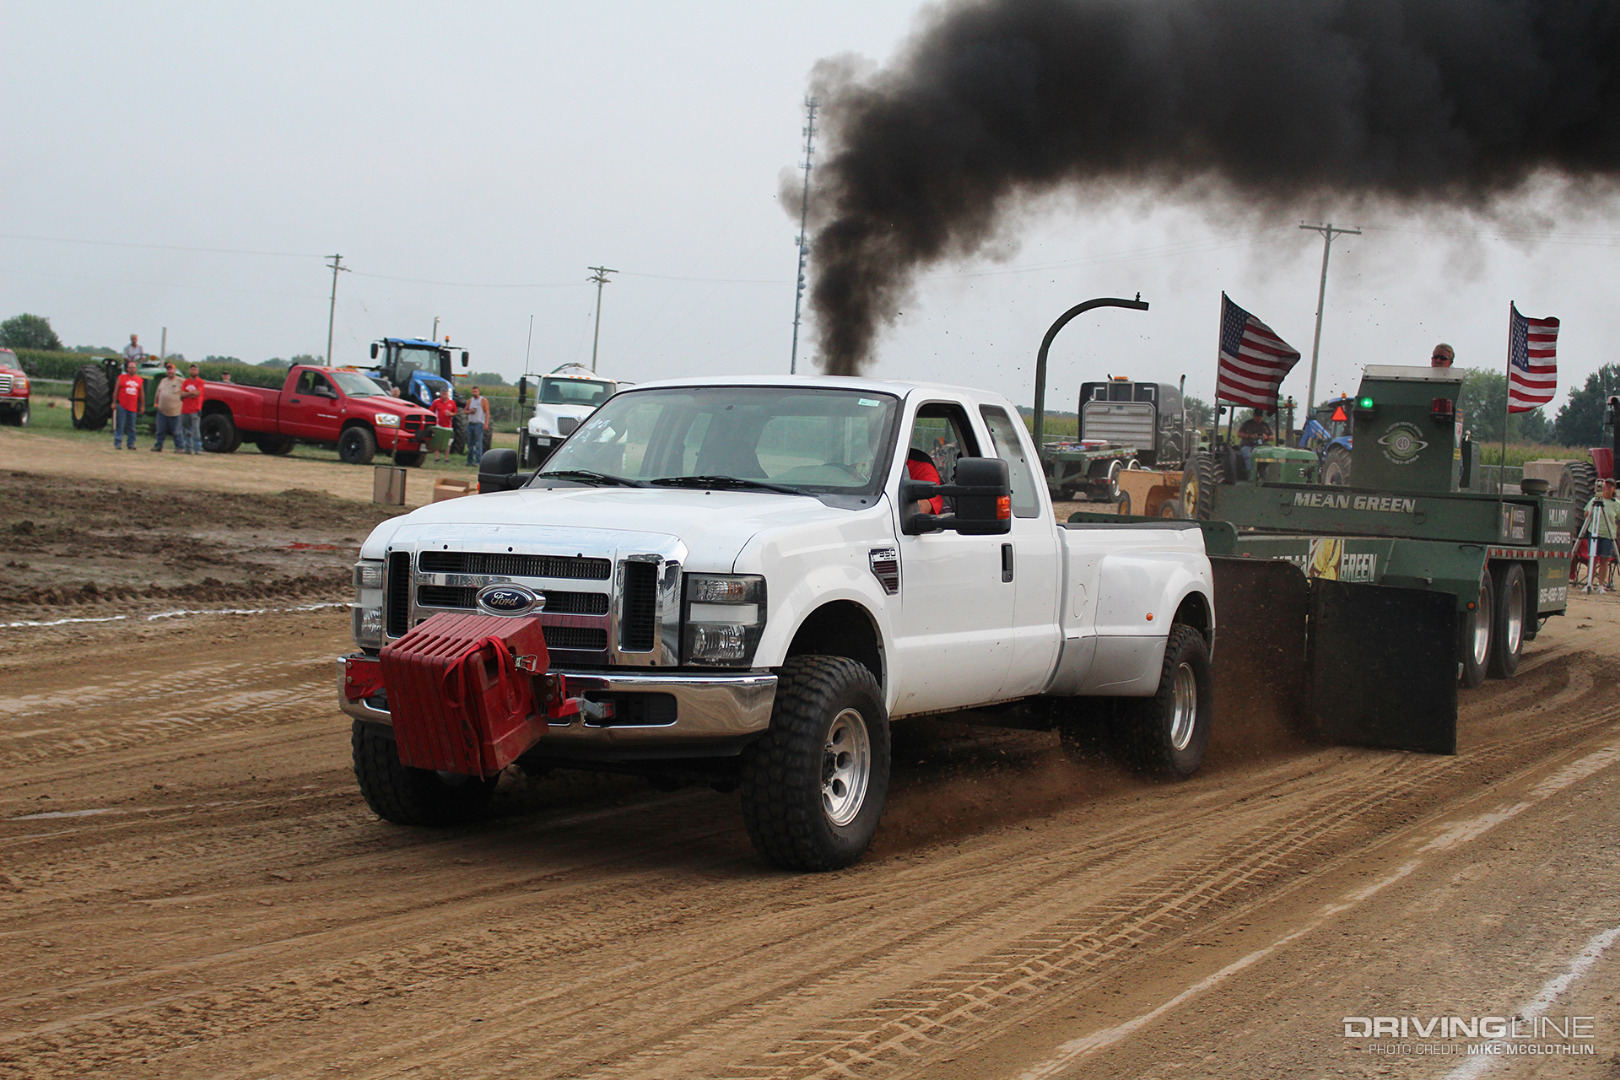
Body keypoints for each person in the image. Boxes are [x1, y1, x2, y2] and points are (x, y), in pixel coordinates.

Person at [1580, 479, 1619, 591]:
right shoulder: (1594, 500)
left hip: (1608, 535)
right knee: (1593, 558)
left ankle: (1601, 585)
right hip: (1594, 532)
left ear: (1613, 489)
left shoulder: (1616, 504)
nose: (1607, 489)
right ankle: (1589, 583)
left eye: (1610, 487)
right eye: (1606, 486)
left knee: (1604, 560)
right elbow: (1587, 514)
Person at [151, 361, 184, 452]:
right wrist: (156, 404)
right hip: (162, 410)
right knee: (160, 430)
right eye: (168, 370)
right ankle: (158, 445)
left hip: (175, 411)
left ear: (175, 370)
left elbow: (188, 390)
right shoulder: (163, 381)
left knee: (177, 431)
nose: (169, 371)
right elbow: (157, 393)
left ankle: (179, 447)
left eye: (171, 369)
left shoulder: (180, 381)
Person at [113, 358, 143, 450]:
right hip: (122, 405)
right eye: (130, 367)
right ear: (127, 369)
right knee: (120, 424)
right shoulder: (121, 378)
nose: (132, 369)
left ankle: (131, 443)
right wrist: (114, 402)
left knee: (132, 426)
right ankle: (118, 442)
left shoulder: (139, 380)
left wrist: (142, 405)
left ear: (136, 369)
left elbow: (141, 394)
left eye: (133, 367)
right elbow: (116, 391)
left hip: (133, 407)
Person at [1236, 409, 1273, 473]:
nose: (1259, 418)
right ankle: (1250, 473)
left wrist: (1266, 437)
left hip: (1262, 446)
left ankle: (1266, 473)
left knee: (1271, 454)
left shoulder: (1265, 425)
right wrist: (1250, 436)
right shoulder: (1247, 424)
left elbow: (1272, 437)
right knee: (1248, 455)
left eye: (1260, 417)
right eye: (1257, 417)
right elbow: (1239, 434)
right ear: (1254, 416)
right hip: (1248, 445)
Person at [179, 364, 205, 454]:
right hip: (185, 409)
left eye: (195, 370)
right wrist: (190, 394)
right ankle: (188, 448)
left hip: (195, 409)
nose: (193, 371)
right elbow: (181, 394)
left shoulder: (200, 382)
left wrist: (186, 394)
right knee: (186, 430)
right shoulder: (186, 382)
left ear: (198, 371)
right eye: (192, 370)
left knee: (196, 430)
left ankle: (198, 449)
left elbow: (197, 393)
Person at [430, 387, 457, 464]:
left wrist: (451, 414)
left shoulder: (452, 402)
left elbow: (455, 413)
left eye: (445, 394)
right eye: (443, 394)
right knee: (437, 441)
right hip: (438, 424)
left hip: (448, 425)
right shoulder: (436, 402)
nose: (444, 395)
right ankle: (437, 457)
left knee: (448, 442)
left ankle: (446, 458)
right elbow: (431, 411)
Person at [464, 385, 490, 465]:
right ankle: (469, 461)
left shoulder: (483, 400)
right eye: (473, 391)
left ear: (478, 392)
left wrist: (486, 423)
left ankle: (478, 461)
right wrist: (470, 411)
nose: (474, 393)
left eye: (475, 391)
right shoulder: (470, 401)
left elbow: (487, 412)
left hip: (478, 424)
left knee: (478, 444)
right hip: (470, 423)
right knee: (470, 444)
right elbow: (465, 410)